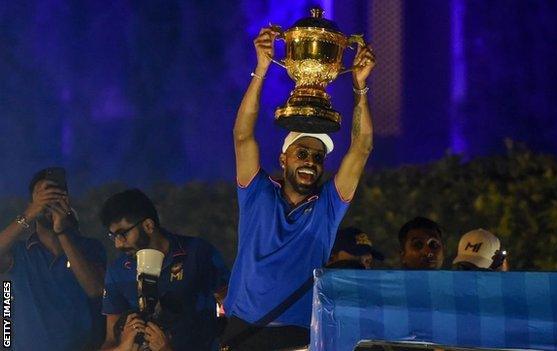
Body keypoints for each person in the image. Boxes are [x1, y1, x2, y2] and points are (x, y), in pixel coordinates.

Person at [223, 26, 376, 350]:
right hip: (242, 334)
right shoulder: (257, 193)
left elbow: (360, 149)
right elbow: (242, 137)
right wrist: (262, 69)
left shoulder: (327, 208)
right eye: (302, 154)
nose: (310, 162)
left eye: (318, 157)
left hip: (297, 339)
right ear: (284, 158)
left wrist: (360, 88)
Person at [99, 189, 229, 351]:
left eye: (122, 234)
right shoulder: (117, 272)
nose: (118, 244)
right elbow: (109, 342)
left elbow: (232, 308)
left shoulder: (196, 253)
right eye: (113, 237)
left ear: (148, 225)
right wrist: (123, 346)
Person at [0, 167, 106, 350]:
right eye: (42, 195)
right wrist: (29, 214)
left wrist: (62, 231)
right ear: (31, 202)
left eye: (55, 194)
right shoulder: (19, 252)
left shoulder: (89, 247)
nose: (48, 201)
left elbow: (95, 290)